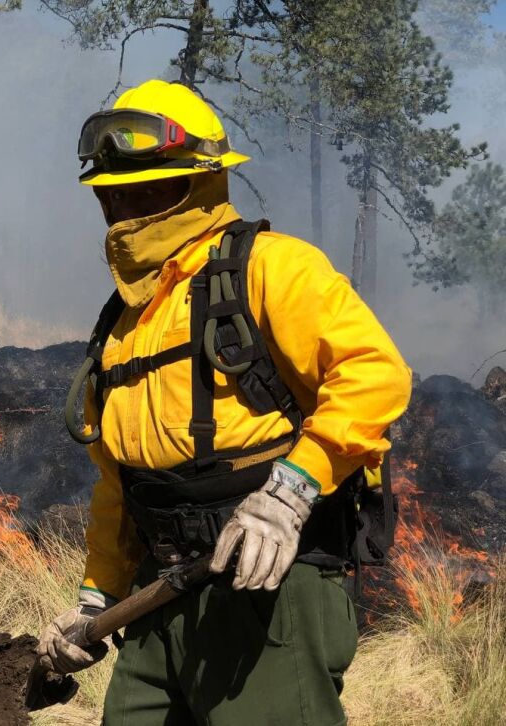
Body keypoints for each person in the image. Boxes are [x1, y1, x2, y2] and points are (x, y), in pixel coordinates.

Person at [37, 79, 413, 726]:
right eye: (115, 196)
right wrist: (98, 595)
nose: (129, 209)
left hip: (267, 586)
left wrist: (291, 492)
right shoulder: (126, 321)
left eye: (149, 190)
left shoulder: (271, 268)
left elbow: (374, 372)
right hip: (157, 597)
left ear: (203, 184)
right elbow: (118, 481)